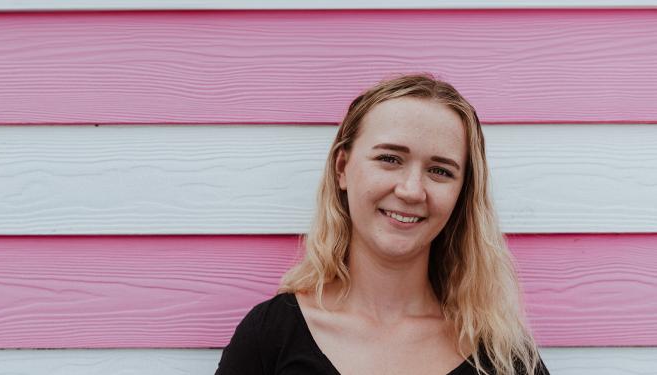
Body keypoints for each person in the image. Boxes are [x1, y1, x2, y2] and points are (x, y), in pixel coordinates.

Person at [215, 73, 550, 375]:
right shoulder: (270, 336)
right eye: (390, 159)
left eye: (440, 171)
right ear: (342, 167)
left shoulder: (503, 356)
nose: (411, 190)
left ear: (462, 193)